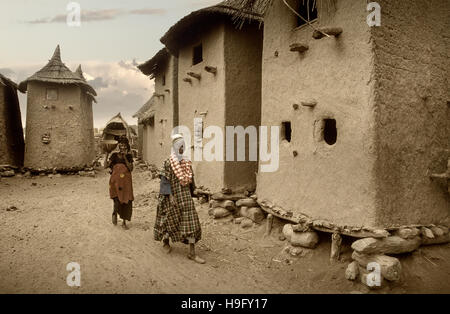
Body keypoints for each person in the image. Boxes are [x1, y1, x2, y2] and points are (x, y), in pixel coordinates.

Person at [154, 134, 205, 264]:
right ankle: (166, 241)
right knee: (169, 220)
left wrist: (195, 190)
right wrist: (170, 196)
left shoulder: (187, 163)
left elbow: (191, 180)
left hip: (185, 196)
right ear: (174, 147)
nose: (181, 149)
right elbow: (165, 181)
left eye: (183, 146)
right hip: (171, 195)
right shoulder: (168, 163)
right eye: (179, 146)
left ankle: (192, 253)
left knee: (191, 221)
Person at [108, 136, 134, 230]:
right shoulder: (114, 155)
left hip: (126, 182)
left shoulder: (129, 156)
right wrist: (107, 154)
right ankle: (114, 212)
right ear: (119, 146)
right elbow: (105, 166)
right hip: (115, 181)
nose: (122, 147)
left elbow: (131, 168)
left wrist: (125, 157)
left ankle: (124, 222)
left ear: (127, 146)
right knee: (116, 199)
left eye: (124, 145)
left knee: (126, 201)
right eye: (121, 145)